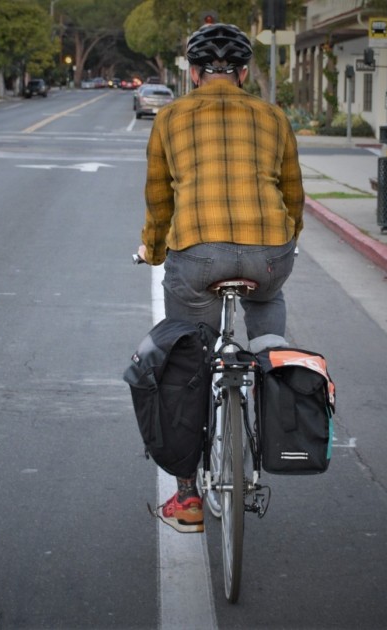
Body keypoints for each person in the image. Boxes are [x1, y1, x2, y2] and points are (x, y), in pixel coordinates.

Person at [138, 22, 304, 533]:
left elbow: (160, 199)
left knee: (187, 356)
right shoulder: (273, 116)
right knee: (267, 307)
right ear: (244, 73)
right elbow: (293, 195)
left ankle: (188, 497)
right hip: (269, 254)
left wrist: (153, 250)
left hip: (198, 256)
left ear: (192, 74)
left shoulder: (170, 117)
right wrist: (283, 244)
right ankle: (269, 366)